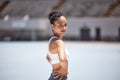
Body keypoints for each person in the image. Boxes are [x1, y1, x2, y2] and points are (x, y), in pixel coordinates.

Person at [46, 10, 69, 80]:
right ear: (52, 26)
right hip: (60, 77)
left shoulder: (52, 40)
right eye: (60, 25)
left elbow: (48, 56)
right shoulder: (59, 43)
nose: (64, 28)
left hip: (53, 76)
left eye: (65, 25)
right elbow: (63, 59)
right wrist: (65, 71)